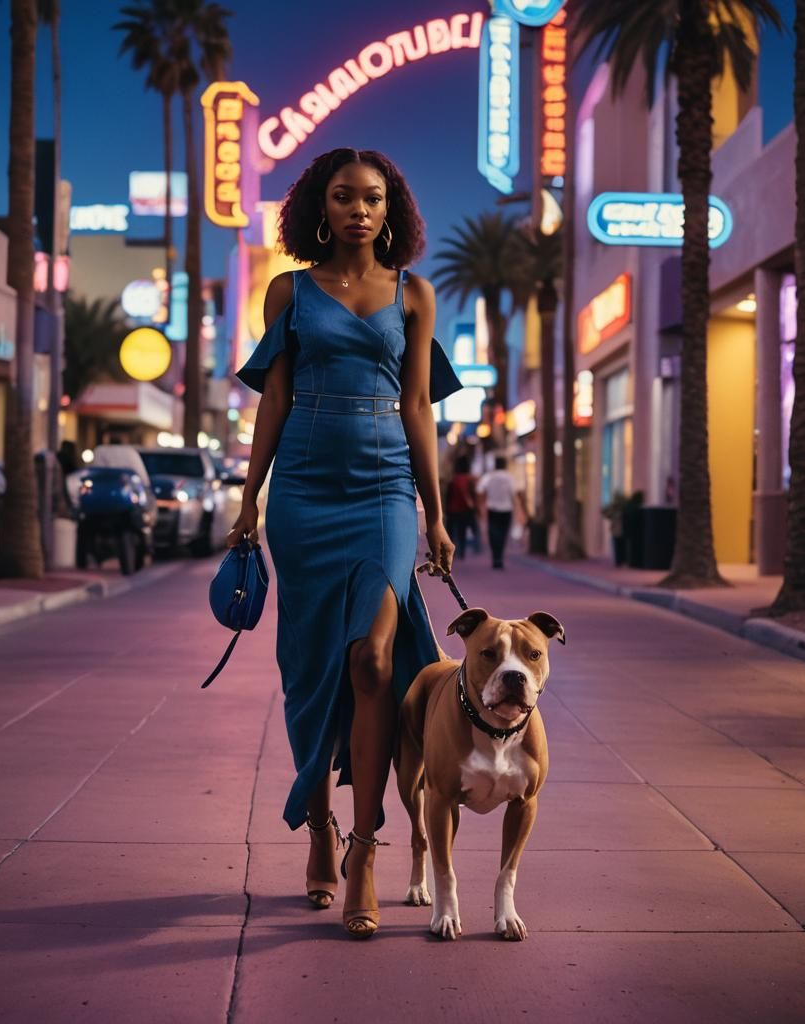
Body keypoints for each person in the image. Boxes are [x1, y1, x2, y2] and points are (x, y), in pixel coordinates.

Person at [227, 148, 461, 939]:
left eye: (372, 198)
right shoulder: (287, 292)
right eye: (342, 197)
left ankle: (364, 851)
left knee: (373, 660)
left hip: (386, 492)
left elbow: (419, 406)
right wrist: (250, 498)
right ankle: (320, 826)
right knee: (310, 668)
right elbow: (274, 399)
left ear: (391, 210)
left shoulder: (414, 293)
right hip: (303, 491)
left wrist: (434, 514)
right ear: (318, 208)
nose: (358, 210)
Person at [477, 455, 525, 570]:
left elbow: (480, 490)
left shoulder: (489, 477)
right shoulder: (509, 478)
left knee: (493, 533)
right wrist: (519, 508)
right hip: (506, 509)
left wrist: (482, 506)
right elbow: (514, 494)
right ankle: (500, 557)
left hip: (492, 508)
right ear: (505, 465)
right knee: (503, 533)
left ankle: (495, 556)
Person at [445, 455, 477, 559]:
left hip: (452, 509)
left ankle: (450, 551)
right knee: (462, 531)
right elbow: (473, 495)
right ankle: (462, 551)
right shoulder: (469, 479)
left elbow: (448, 495)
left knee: (451, 532)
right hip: (464, 510)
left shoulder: (453, 479)